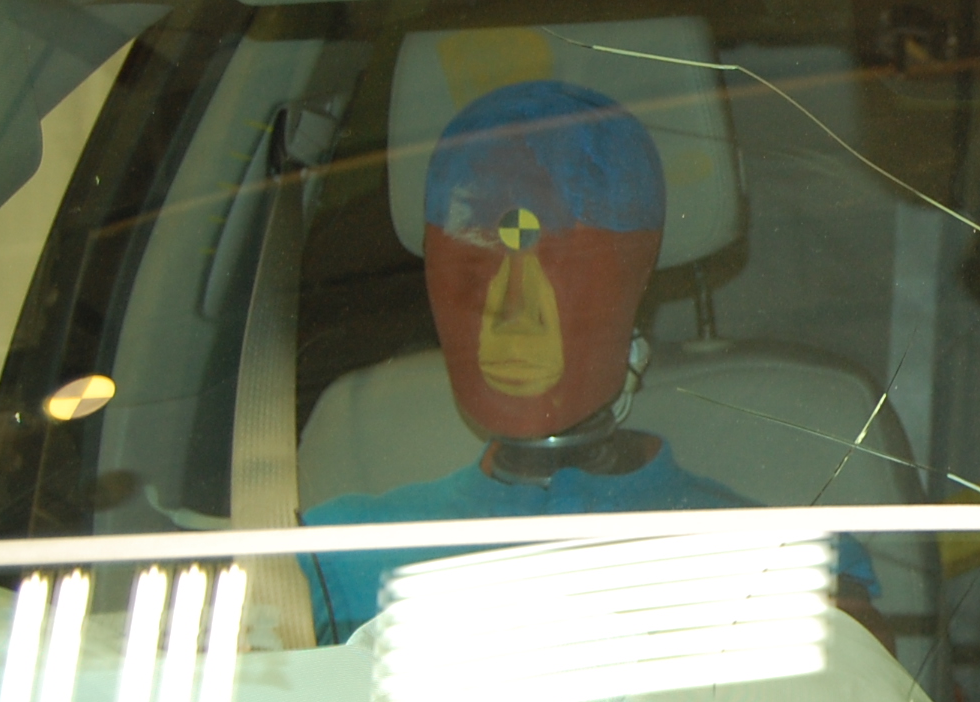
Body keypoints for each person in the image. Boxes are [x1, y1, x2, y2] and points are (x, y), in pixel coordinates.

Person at [300, 79, 884, 646]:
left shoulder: (781, 566)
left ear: (637, 283)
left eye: (566, 267)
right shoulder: (330, 558)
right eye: (474, 270)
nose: (515, 314)